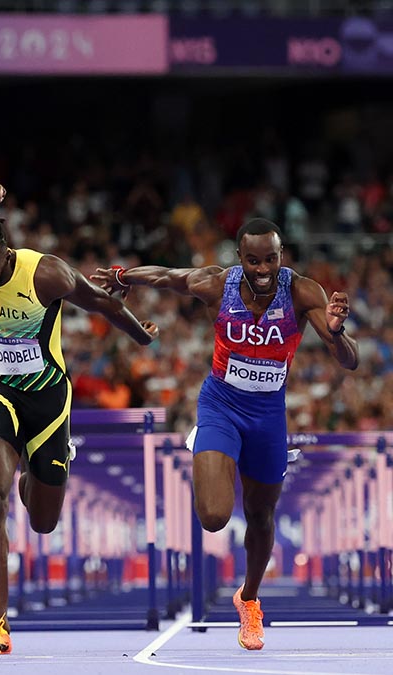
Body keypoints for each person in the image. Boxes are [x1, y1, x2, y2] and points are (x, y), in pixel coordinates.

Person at [93, 217, 357, 651]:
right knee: (214, 516)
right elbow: (167, 276)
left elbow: (349, 361)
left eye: (270, 259)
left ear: (280, 255)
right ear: (240, 258)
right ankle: (210, 448)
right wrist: (123, 276)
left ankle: (249, 599)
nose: (263, 269)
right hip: (221, 403)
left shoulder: (304, 293)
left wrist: (336, 333)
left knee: (261, 515)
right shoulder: (218, 284)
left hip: (269, 413)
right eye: (253, 260)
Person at [0, 184, 157, 655]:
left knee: (44, 522)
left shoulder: (47, 274)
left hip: (48, 403)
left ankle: (40, 462)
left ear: (7, 256)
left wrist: (139, 337)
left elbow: (103, 303)